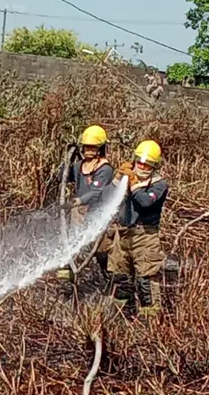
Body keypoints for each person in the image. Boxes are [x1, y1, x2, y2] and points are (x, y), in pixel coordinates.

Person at [106, 140, 169, 319]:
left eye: (146, 164)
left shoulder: (159, 185)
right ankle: (122, 319)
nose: (141, 166)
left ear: (154, 166)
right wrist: (117, 179)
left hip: (145, 237)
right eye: (139, 162)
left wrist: (133, 183)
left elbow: (145, 201)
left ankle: (149, 324)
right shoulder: (126, 180)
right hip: (123, 235)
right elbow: (106, 198)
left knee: (146, 282)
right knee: (120, 280)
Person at [56, 125, 114, 280]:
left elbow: (96, 193)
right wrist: (68, 161)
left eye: (93, 148)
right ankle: (68, 278)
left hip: (97, 212)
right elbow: (61, 176)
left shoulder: (105, 169)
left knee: (101, 248)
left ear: (100, 148)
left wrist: (78, 200)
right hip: (79, 212)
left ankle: (109, 278)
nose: (89, 150)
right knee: (74, 240)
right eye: (87, 147)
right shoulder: (79, 166)